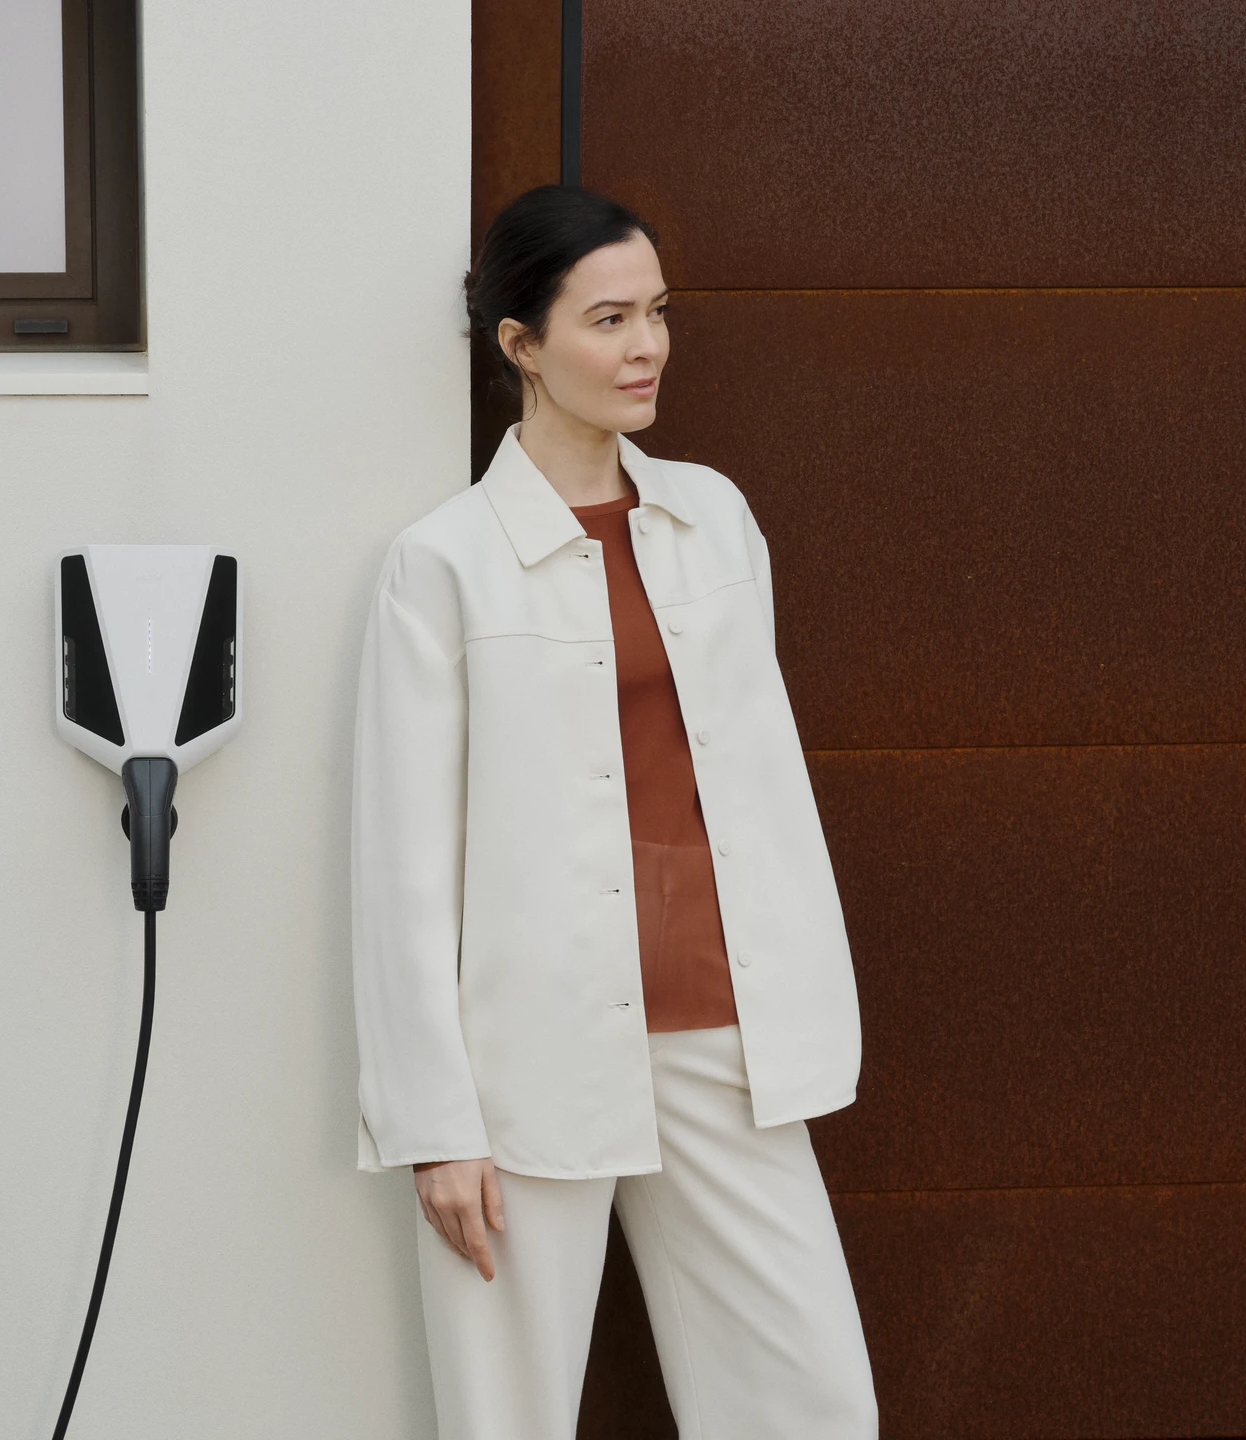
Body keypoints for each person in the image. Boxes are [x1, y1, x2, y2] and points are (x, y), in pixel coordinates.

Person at [350, 185, 878, 1440]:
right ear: (520, 345)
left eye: (655, 313)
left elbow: (748, 779)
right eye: (606, 319)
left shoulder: (714, 519)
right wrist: (437, 1123)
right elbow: (403, 862)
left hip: (722, 1031)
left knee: (808, 1404)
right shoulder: (445, 564)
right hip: (528, 1057)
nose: (645, 346)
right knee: (510, 1417)